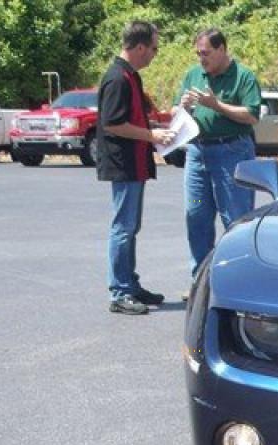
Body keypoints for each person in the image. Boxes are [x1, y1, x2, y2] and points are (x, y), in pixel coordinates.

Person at [97, 20, 175, 315]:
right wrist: (151, 135)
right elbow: (113, 123)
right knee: (123, 228)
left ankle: (130, 283)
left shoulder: (130, 76)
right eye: (154, 48)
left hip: (135, 164)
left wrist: (161, 124)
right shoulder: (117, 77)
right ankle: (119, 291)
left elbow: (134, 118)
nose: (155, 54)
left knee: (130, 227)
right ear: (140, 46)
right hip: (124, 164)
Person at [176, 27, 261, 284]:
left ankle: (237, 279)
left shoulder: (243, 77)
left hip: (232, 150)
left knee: (235, 218)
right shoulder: (193, 74)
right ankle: (201, 281)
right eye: (199, 54)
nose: (202, 59)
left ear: (222, 49)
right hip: (198, 152)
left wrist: (216, 105)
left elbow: (252, 116)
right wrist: (182, 107)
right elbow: (175, 110)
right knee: (196, 216)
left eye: (207, 53)